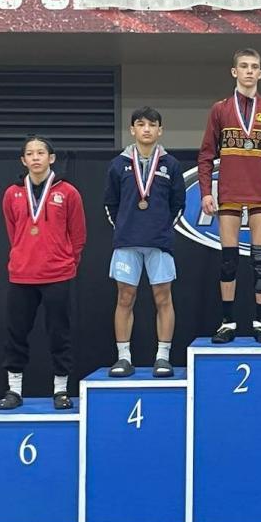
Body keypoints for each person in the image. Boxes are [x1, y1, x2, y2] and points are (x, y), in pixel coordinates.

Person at [197, 48, 261, 344]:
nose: (249, 71)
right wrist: (205, 193)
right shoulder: (220, 109)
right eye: (244, 66)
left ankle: (260, 321)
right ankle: (227, 322)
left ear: (260, 73)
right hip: (228, 194)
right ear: (234, 72)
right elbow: (205, 155)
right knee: (228, 261)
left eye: (254, 67)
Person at [0, 136, 86, 410]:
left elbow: (78, 234)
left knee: (59, 334)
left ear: (52, 158)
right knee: (16, 334)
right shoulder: (12, 194)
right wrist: (24, 255)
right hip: (22, 275)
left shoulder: (68, 192)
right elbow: (14, 232)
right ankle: (14, 390)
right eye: (30, 154)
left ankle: (60, 390)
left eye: (40, 153)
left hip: (57, 275)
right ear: (23, 161)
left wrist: (66, 262)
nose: (35, 157)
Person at [105, 107, 185, 378]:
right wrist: (126, 228)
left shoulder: (170, 165)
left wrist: (160, 229)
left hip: (159, 242)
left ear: (160, 130)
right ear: (132, 130)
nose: (147, 129)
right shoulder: (118, 165)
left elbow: (179, 205)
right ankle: (123, 357)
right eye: (141, 124)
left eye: (152, 125)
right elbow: (110, 204)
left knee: (163, 298)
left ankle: (162, 357)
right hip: (127, 242)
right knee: (125, 298)